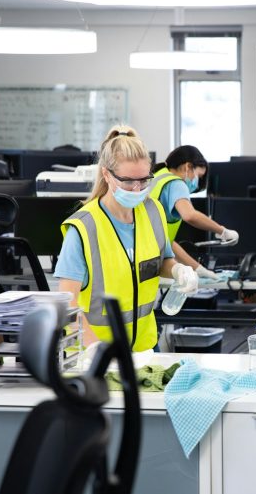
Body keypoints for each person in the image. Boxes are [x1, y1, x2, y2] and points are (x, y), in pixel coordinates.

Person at [54, 125, 199, 350]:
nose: (137, 188)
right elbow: (66, 302)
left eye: (143, 180)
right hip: (93, 354)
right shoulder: (84, 227)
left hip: (144, 348)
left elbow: (161, 262)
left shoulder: (154, 212)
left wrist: (179, 270)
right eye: (128, 181)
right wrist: (95, 350)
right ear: (106, 174)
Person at [149, 145, 239, 279]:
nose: (197, 181)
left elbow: (167, 241)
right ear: (188, 167)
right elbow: (190, 215)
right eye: (199, 175)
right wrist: (222, 231)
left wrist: (198, 269)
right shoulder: (176, 183)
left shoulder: (157, 177)